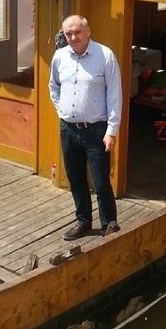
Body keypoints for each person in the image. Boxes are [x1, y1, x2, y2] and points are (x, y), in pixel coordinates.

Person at [49, 15, 122, 241]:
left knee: (101, 182)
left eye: (77, 32)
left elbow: (114, 95)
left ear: (87, 31)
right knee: (76, 179)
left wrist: (111, 131)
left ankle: (109, 226)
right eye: (68, 34)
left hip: (96, 130)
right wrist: (62, 110)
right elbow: (53, 86)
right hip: (68, 129)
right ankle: (83, 221)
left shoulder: (105, 56)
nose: (72, 37)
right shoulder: (60, 57)